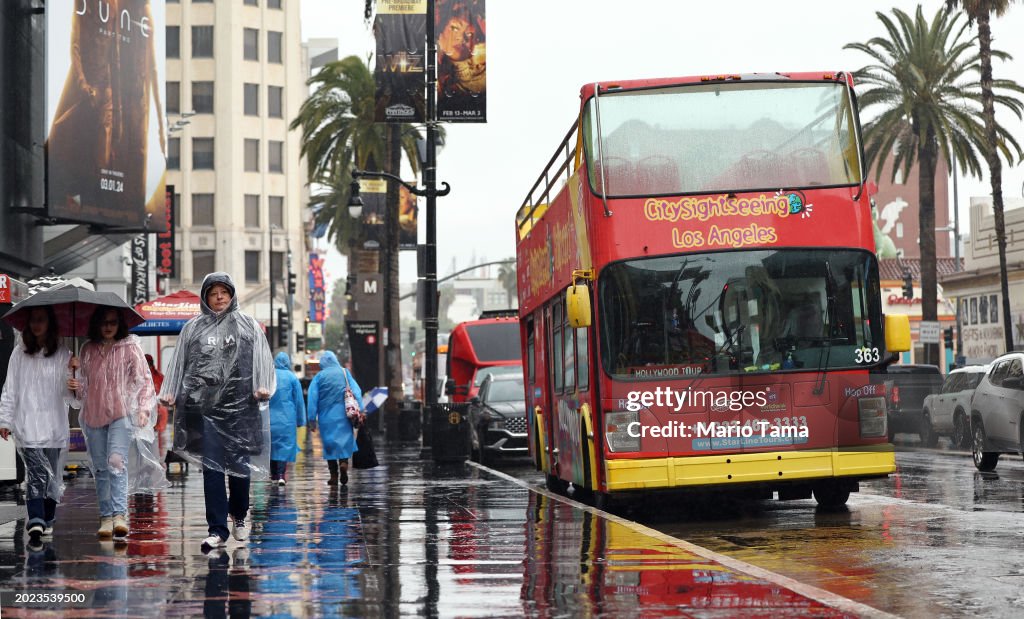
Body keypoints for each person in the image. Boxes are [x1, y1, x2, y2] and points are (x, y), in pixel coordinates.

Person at [158, 273, 275, 551]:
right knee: (211, 470)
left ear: (232, 295)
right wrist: (169, 390)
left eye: (224, 292)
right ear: (205, 297)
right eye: (214, 293)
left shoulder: (248, 326)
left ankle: (240, 515)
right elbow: (179, 363)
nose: (220, 297)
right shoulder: (192, 329)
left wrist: (263, 386)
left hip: (241, 409)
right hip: (205, 410)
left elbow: (263, 360)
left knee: (239, 468)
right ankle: (217, 529)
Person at [68, 307, 155, 540]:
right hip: (93, 415)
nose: (108, 327)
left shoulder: (130, 348)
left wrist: (144, 408)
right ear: (96, 324)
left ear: (120, 324)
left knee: (116, 461)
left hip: (121, 414)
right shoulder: (87, 350)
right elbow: (82, 393)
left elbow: (144, 380)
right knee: (100, 467)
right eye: (104, 322)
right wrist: (75, 382)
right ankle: (106, 516)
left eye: (113, 322)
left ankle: (119, 515)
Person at [0, 307, 74, 547]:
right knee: (35, 475)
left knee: (52, 477)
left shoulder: (64, 354)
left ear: (49, 324)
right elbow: (10, 388)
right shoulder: (19, 354)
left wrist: (75, 379)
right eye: (33, 321)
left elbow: (72, 400)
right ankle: (37, 518)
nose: (36, 325)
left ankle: (48, 517)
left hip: (53, 425)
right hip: (28, 424)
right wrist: (5, 419)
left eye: (41, 320)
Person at [307, 351, 362, 486]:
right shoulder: (344, 373)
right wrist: (360, 409)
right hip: (344, 415)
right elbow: (356, 391)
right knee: (344, 442)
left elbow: (312, 399)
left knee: (330, 445)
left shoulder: (319, 377)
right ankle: (343, 463)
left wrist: (312, 420)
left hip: (326, 417)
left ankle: (333, 475)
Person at [269, 352, 306, 486]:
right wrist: (301, 420)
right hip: (287, 418)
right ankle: (281, 475)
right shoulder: (292, 378)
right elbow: (299, 401)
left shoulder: (269, 376)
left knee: (271, 446)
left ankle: (273, 474)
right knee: (283, 447)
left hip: (270, 418)